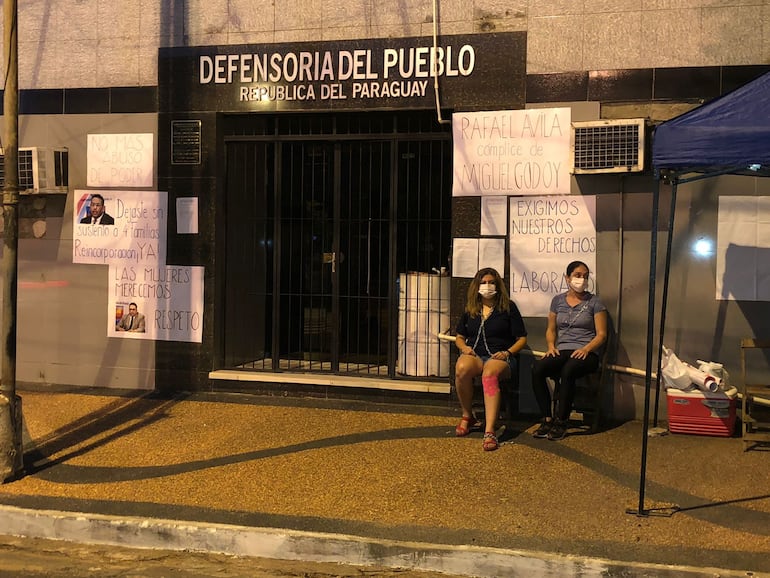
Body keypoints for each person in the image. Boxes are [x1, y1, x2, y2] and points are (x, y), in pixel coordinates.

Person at [531, 260, 607, 441]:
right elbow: (551, 329)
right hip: (563, 350)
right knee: (538, 369)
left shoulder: (595, 302)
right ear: (567, 278)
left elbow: (602, 334)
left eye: (585, 276)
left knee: (568, 370)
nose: (582, 280)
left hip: (587, 353)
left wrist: (587, 348)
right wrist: (551, 346)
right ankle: (547, 418)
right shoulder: (557, 301)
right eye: (578, 275)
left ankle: (561, 422)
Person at [454, 268, 527, 451]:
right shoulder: (471, 308)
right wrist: (464, 348)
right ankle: (467, 415)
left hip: (500, 357)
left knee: (489, 373)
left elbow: (522, 339)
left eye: (491, 282)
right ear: (477, 286)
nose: (488, 286)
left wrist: (508, 353)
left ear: (498, 285)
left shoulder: (508, 307)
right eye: (484, 282)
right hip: (476, 355)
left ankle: (489, 430)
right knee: (461, 368)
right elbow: (460, 336)